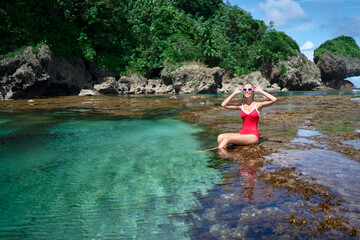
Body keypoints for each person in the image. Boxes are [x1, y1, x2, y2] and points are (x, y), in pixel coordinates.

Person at [217, 83, 277, 148]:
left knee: (227, 139)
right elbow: (224, 105)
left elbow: (274, 99)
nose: (247, 91)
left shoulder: (258, 105)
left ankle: (219, 156)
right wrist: (234, 93)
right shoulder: (241, 106)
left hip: (253, 136)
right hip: (242, 134)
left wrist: (260, 91)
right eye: (245, 89)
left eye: (249, 89)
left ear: (253, 91)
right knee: (220, 137)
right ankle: (225, 154)